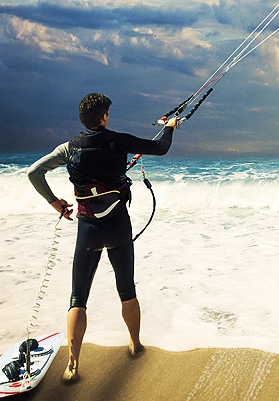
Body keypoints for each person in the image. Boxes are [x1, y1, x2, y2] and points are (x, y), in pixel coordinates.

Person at [28, 93, 177, 383]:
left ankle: (72, 364)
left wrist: (55, 202)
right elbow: (160, 147)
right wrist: (170, 126)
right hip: (119, 228)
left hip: (88, 231)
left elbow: (35, 173)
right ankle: (134, 343)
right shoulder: (119, 140)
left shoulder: (69, 148)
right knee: (127, 289)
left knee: (78, 298)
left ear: (83, 120)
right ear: (104, 117)